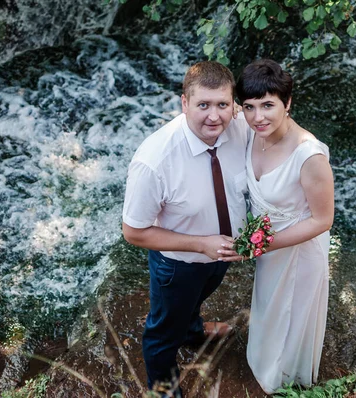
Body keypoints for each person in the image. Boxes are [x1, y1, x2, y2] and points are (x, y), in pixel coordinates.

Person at [121, 61, 250, 396]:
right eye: (203, 105)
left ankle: (193, 330)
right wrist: (201, 245)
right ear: (184, 103)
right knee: (162, 334)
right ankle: (163, 390)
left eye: (222, 104)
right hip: (178, 264)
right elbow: (133, 232)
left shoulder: (239, 125)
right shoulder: (153, 161)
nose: (214, 117)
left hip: (221, 255)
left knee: (195, 301)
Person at [234, 59, 335, 393]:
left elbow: (323, 220)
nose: (258, 117)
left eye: (268, 105)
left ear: (287, 103)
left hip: (298, 251)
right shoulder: (251, 131)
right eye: (249, 107)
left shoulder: (310, 157)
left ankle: (285, 384)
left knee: (290, 319)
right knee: (268, 310)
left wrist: (260, 244)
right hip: (267, 247)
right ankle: (262, 367)